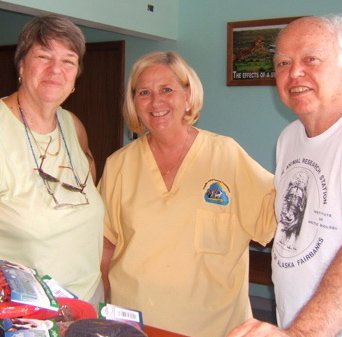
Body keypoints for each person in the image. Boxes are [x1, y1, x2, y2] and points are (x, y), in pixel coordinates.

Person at [99, 50, 276, 337]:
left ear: (188, 95)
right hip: (135, 323)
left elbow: (279, 217)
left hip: (214, 328)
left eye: (167, 89)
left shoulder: (226, 155)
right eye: (144, 92)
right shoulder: (119, 164)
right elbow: (105, 244)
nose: (156, 102)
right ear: (134, 103)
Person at [227, 14, 342, 337]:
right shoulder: (288, 139)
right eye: (283, 62)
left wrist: (299, 334)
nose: (294, 72)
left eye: (311, 59)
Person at [0, 14, 104, 305]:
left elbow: (86, 195)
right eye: (43, 56)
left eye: (68, 61)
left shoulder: (73, 125)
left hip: (88, 299)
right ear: (21, 65)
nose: (56, 69)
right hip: (25, 313)